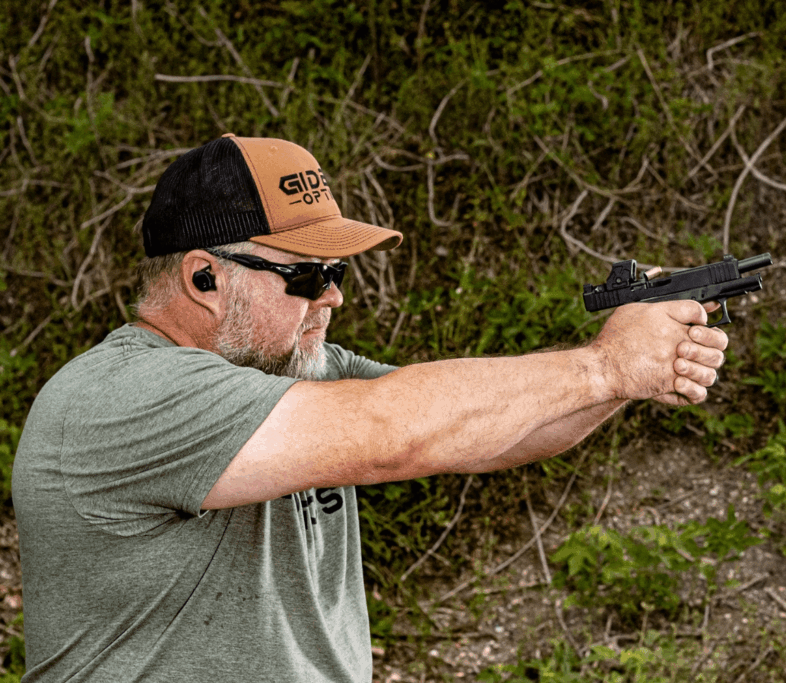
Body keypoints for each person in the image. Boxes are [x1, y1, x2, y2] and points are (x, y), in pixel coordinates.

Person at [12, 134, 728, 682]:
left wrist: (621, 379)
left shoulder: (295, 370)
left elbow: (489, 431)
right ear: (205, 278)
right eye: (308, 274)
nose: (335, 295)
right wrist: (604, 362)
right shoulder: (121, 398)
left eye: (338, 270)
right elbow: (397, 431)